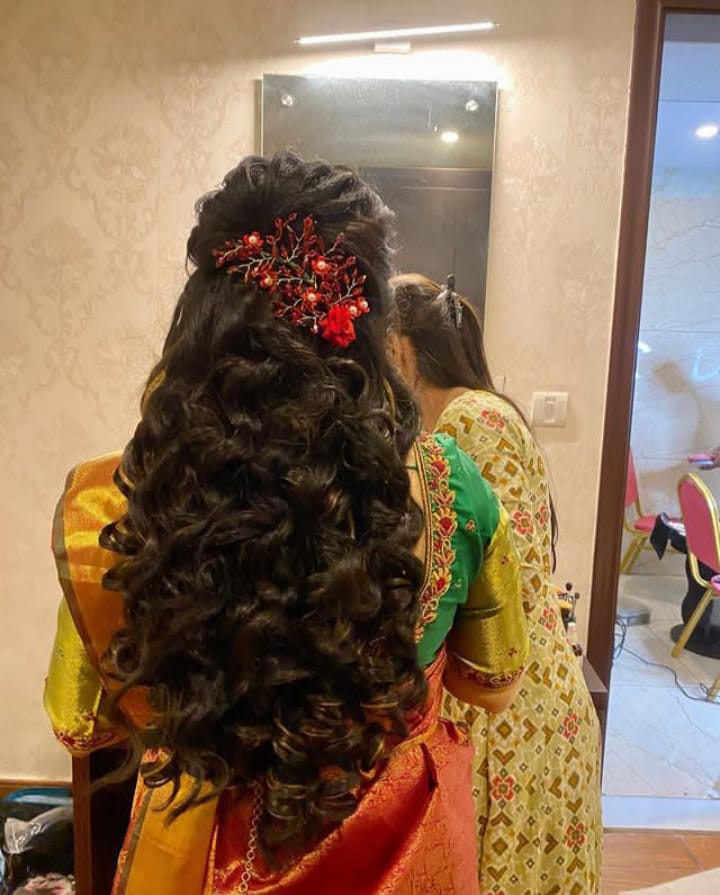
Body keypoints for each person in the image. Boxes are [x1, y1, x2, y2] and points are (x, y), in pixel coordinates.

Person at [44, 154, 529, 895]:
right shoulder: (450, 487)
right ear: (370, 324)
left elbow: (80, 721)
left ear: (202, 319)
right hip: (401, 855)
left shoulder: (113, 503)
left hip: (205, 859)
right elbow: (491, 681)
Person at [391, 273, 602, 895]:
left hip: (513, 708)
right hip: (514, 691)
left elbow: (497, 579)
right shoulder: (474, 413)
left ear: (400, 349)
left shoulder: (470, 419)